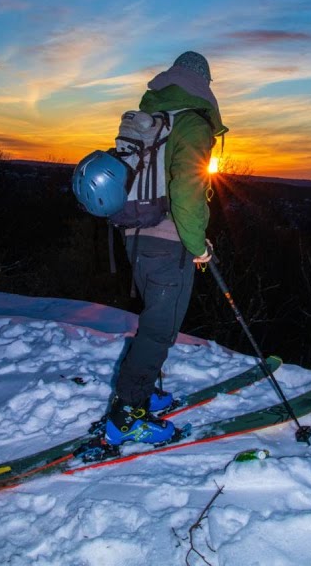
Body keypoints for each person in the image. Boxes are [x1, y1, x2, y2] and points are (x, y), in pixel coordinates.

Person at [103, 51, 228, 446]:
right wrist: (198, 245)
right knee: (160, 328)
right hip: (168, 242)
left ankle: (144, 391)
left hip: (135, 235)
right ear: (203, 82)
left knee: (155, 319)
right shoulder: (192, 123)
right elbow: (187, 190)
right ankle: (127, 414)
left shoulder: (156, 119)